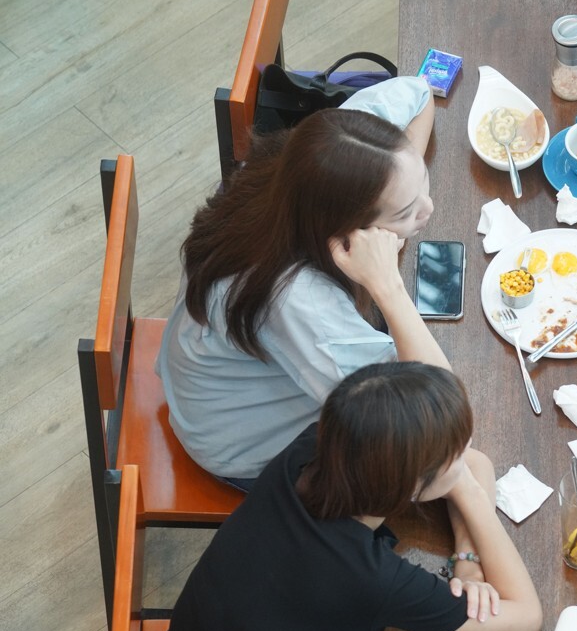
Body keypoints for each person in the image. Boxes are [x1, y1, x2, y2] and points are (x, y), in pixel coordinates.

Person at [160, 362, 543, 631]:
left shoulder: (311, 451)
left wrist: (469, 564)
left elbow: (478, 464)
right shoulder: (371, 578)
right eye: (452, 456)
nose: (465, 455)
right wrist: (473, 499)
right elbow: (526, 618)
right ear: (408, 486)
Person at [157, 77, 450, 489]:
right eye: (404, 212)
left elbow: (419, 93)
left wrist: (401, 185)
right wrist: (389, 288)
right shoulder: (300, 301)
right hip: (237, 442)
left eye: (423, 185)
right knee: (426, 475)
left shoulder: (333, 160)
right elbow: (436, 420)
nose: (428, 209)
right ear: (348, 234)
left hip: (230, 368)